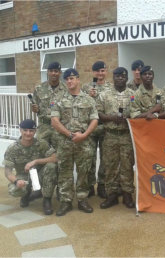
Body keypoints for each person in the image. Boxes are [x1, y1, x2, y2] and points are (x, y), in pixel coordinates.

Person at [51, 68, 98, 216]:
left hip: (84, 143)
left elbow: (94, 119)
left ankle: (82, 199)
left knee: (83, 172)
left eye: (72, 78)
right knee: (65, 172)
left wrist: (84, 135)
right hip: (65, 143)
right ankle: (66, 201)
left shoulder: (89, 99)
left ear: (78, 80)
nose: (69, 81)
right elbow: (54, 121)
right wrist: (70, 135)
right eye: (67, 79)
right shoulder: (58, 100)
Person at [96, 67, 135, 209]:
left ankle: (127, 195)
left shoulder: (133, 94)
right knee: (110, 166)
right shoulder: (104, 95)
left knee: (127, 166)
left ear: (126, 78)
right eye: (117, 76)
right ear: (113, 78)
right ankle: (111, 195)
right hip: (110, 135)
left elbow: (137, 112)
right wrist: (111, 118)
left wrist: (129, 118)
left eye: (123, 76)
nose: (120, 78)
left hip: (126, 135)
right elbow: (98, 113)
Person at [3, 119, 57, 215]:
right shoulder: (13, 148)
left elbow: (55, 158)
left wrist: (36, 161)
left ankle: (47, 199)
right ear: (20, 130)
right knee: (14, 190)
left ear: (35, 131)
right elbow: (8, 172)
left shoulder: (41, 143)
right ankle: (26, 195)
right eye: (25, 130)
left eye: (31, 131)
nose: (28, 133)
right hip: (24, 178)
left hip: (39, 175)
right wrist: (16, 181)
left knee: (51, 167)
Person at [82, 61, 112, 198]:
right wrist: (89, 96)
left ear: (106, 71)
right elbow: (80, 104)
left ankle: (102, 184)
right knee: (90, 157)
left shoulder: (111, 87)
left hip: (105, 126)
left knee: (105, 157)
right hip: (90, 127)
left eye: (103, 70)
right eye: (98, 71)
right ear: (93, 72)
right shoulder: (85, 87)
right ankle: (89, 185)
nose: (100, 73)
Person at [31, 61, 67, 149]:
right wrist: (34, 109)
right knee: (40, 151)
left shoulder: (66, 89)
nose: (53, 73)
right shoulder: (39, 88)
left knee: (60, 154)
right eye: (51, 71)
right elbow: (34, 105)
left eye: (56, 71)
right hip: (44, 127)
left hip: (60, 127)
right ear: (47, 72)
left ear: (60, 73)